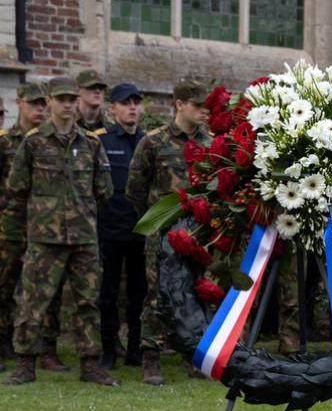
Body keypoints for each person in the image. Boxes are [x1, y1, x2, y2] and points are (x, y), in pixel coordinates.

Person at [2, 77, 118, 386]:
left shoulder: (91, 144)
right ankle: (25, 363)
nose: (67, 104)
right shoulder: (34, 142)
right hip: (44, 238)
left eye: (71, 99)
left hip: (83, 238)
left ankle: (90, 364)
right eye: (61, 99)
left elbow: (103, 189)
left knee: (88, 302)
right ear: (50, 101)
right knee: (33, 301)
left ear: (76, 102)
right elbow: (17, 186)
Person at [126, 79, 211, 385]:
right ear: (179, 104)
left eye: (206, 106)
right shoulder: (154, 142)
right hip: (163, 232)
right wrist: (156, 220)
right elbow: (135, 189)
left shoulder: (211, 143)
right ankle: (151, 356)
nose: (204, 112)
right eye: (197, 105)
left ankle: (196, 356)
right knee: (157, 293)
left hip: (200, 232)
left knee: (197, 290)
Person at [0, 82, 65, 371]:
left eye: (43, 104)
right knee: (4, 285)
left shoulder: (51, 141)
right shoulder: (6, 142)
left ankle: (45, 349)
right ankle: (4, 343)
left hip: (46, 229)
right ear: (19, 103)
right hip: (11, 227)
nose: (39, 109)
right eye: (33, 104)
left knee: (48, 291)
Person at [98, 83, 148, 370]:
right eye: (125, 103)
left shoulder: (147, 141)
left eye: (135, 102)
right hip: (110, 231)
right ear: (112, 108)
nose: (132, 107)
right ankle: (107, 351)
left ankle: (135, 350)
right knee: (108, 294)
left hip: (140, 231)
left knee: (138, 295)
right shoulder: (101, 141)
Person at [75, 69, 111, 135]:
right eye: (91, 87)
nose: (97, 91)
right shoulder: (68, 124)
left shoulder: (111, 127)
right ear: (78, 91)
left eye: (101, 88)